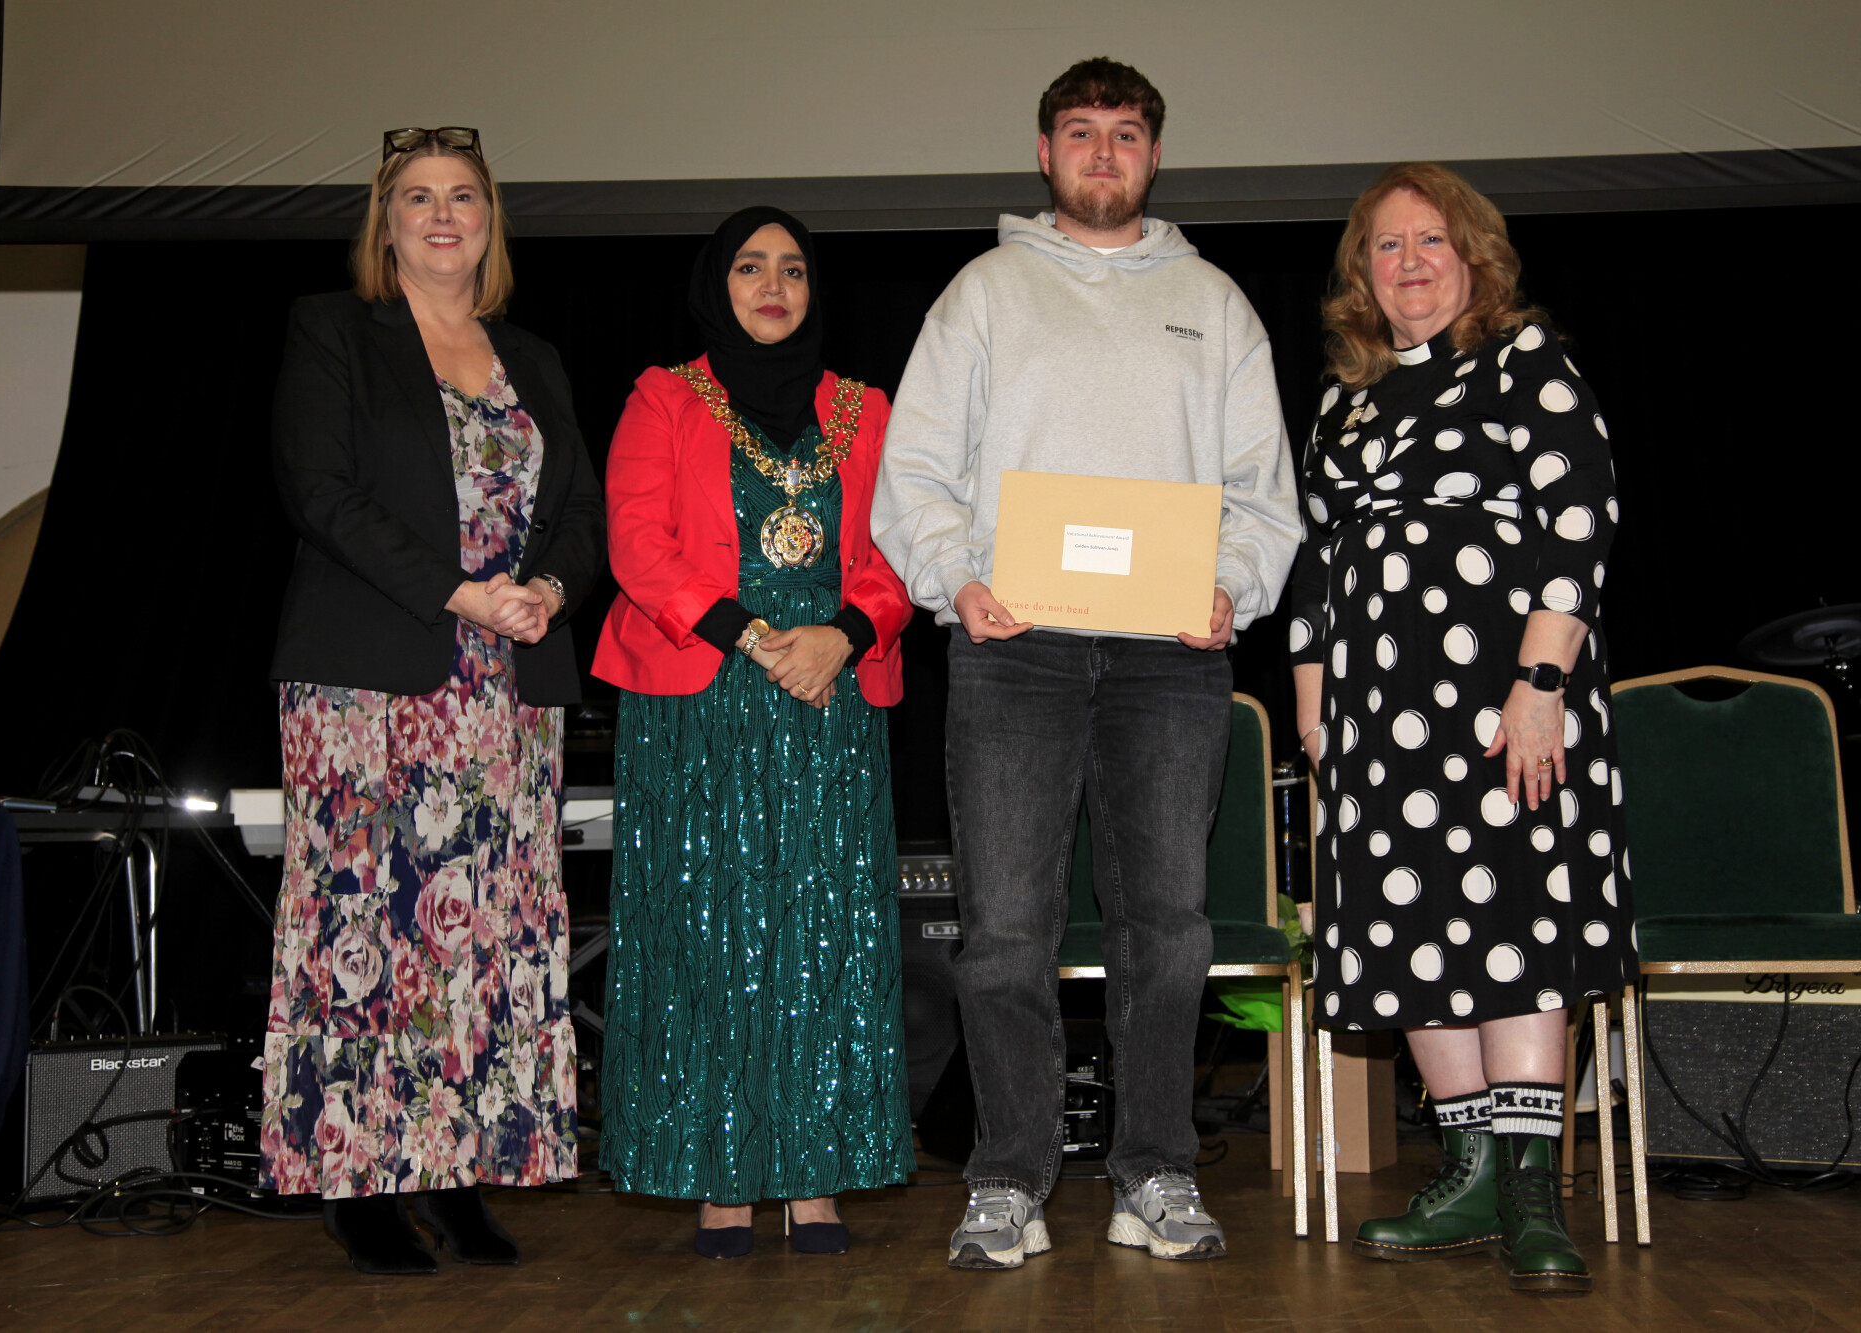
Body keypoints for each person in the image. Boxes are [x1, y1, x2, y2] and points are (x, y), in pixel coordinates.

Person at [873, 58, 1300, 1269]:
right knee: (1005, 931)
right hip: (1015, 650)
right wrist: (955, 578)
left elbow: (1262, 493)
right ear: (1043, 152)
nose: (1102, 153)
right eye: (1079, 132)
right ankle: (1007, 1178)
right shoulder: (983, 293)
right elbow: (915, 471)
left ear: (1153, 155)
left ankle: (1154, 1170)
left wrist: (1230, 586)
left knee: (1166, 928)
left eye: (1123, 133)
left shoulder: (1214, 303)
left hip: (1170, 656)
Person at [261, 127, 604, 1275]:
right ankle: (358, 1181)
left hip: (505, 688)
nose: (443, 214)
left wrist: (547, 590)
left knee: (482, 932)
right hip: (370, 680)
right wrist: (461, 592)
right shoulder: (333, 331)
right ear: (387, 221)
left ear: (489, 220)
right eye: (418, 197)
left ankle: (458, 1169)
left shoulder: (531, 357)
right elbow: (318, 490)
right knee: (367, 925)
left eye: (463, 195)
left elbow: (581, 513)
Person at [1289, 161, 1636, 1294]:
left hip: (1501, 699)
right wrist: (1312, 707)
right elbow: (1315, 562)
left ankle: (1533, 1190)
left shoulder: (1523, 361)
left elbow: (1579, 519)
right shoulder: (1343, 402)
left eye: (1429, 240)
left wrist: (1539, 682)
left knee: (1514, 912)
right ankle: (1471, 1172)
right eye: (1385, 246)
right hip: (1375, 712)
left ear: (1473, 257)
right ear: (1361, 274)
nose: (1408, 263)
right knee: (1408, 919)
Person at [592, 206, 915, 1259]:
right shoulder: (663, 395)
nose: (773, 286)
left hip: (829, 692)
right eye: (748, 267)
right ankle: (717, 1181)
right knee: (705, 933)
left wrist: (842, 635)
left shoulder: (867, 408)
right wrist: (752, 634)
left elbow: (903, 546)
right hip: (700, 694)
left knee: (824, 931)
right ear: (714, 285)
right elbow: (637, 544)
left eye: (792, 269)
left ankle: (815, 1178)